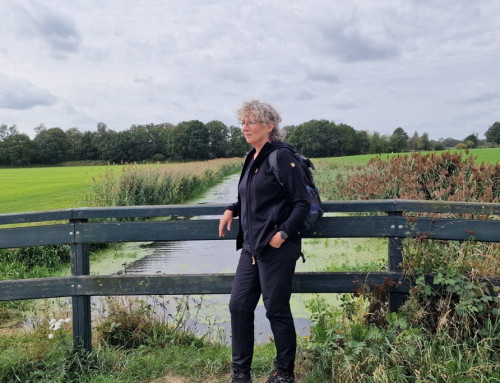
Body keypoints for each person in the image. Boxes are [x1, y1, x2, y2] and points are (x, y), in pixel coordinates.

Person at [219, 100, 311, 383]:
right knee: (239, 305)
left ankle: (284, 373)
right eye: (242, 122)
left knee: (276, 309)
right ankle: (241, 373)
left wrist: (282, 234)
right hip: (251, 248)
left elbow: (302, 203)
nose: (245, 127)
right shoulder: (252, 157)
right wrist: (233, 208)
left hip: (276, 248)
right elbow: (251, 195)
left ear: (269, 126)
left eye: (251, 122)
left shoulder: (282, 157)